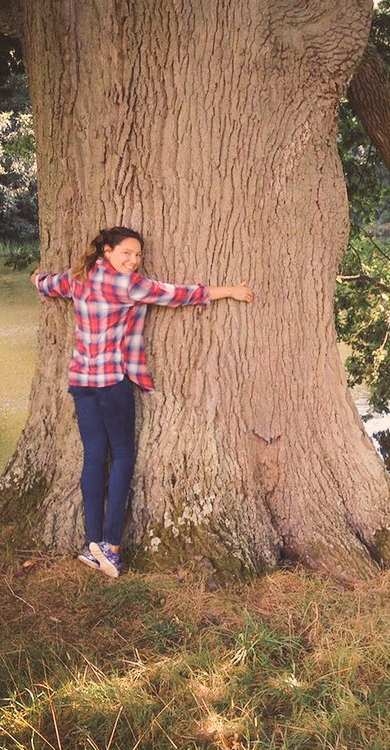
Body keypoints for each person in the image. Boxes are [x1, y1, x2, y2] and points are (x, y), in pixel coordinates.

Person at [31, 226, 253, 578]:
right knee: (121, 457)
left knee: (93, 457)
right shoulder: (128, 285)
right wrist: (232, 291)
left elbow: (46, 284)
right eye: (126, 253)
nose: (133, 261)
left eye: (138, 255)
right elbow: (180, 294)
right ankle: (110, 547)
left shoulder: (79, 278)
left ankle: (92, 543)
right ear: (107, 250)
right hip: (111, 383)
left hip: (81, 381)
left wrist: (36, 278)